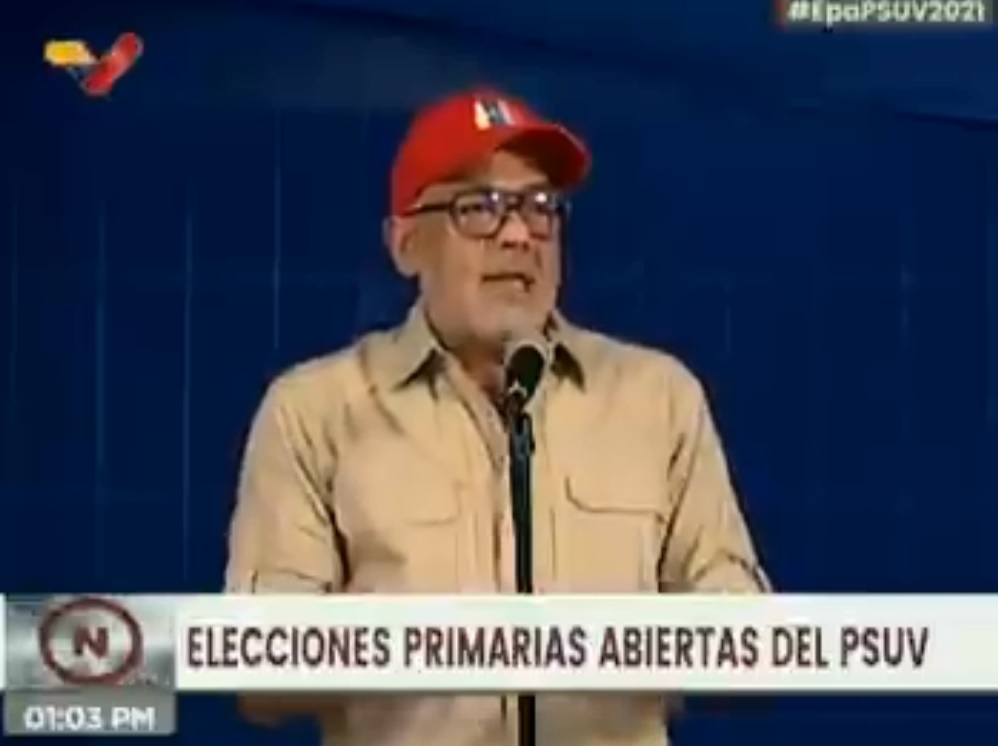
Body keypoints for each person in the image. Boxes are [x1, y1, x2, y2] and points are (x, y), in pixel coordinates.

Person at [224, 87, 770, 746]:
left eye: (540, 207)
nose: (518, 234)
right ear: (405, 243)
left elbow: (749, 645)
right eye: (478, 207)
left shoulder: (657, 398)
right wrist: (431, 642)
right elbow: (259, 675)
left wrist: (624, 641)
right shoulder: (315, 411)